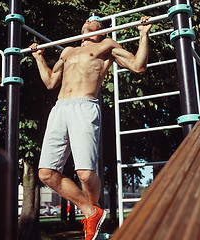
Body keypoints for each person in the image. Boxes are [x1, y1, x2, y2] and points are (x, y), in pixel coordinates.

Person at [30, 14, 152, 240]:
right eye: (86, 19)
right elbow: (49, 82)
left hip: (85, 107)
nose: (88, 20)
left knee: (85, 174)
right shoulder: (67, 51)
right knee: (46, 173)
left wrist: (143, 35)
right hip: (59, 109)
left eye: (94, 20)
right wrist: (39, 58)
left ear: (101, 30)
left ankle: (92, 222)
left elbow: (138, 66)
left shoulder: (106, 45)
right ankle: (91, 213)